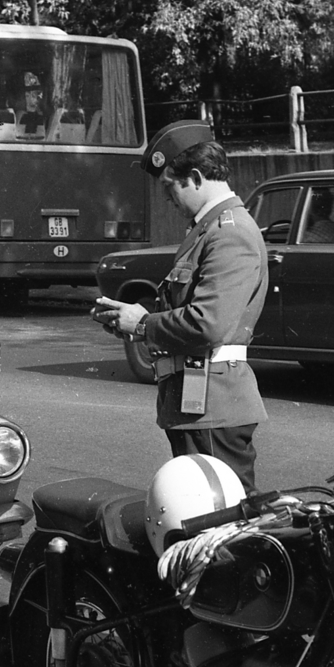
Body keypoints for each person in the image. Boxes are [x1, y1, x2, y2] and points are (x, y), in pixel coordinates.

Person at [91, 120, 268, 491]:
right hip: (198, 404)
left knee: (221, 526)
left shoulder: (229, 233)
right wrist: (131, 320)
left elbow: (209, 324)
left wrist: (142, 325)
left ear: (197, 177)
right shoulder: (209, 230)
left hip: (214, 407)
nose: (168, 200)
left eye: (171, 187)